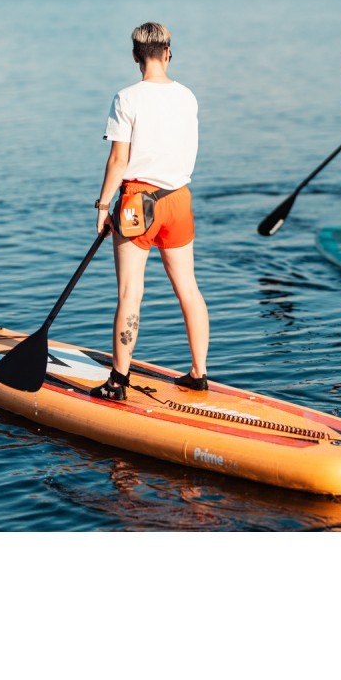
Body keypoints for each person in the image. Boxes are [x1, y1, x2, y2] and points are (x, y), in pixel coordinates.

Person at [90, 21, 210, 400]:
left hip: (137, 203)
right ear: (168, 53)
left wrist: (103, 205)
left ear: (135, 56)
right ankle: (198, 374)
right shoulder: (188, 97)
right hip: (178, 198)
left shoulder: (126, 99)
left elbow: (118, 160)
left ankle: (118, 381)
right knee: (188, 287)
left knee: (130, 292)